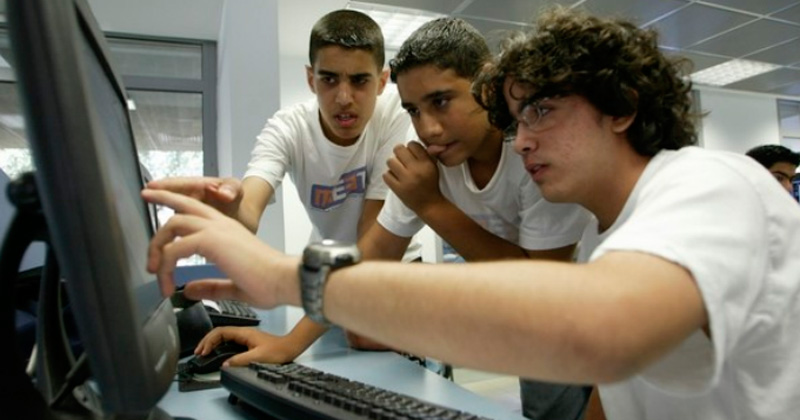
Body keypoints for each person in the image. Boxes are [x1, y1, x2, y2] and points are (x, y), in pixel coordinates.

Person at [143, 7, 800, 420]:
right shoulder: (618, 229)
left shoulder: (710, 184)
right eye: (517, 116)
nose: (524, 138)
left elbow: (590, 329)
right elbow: (616, 385)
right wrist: (288, 344)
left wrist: (285, 278)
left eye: (541, 111)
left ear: (622, 108)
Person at [149, 9, 417, 364]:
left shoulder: (396, 115)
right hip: (332, 275)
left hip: (390, 265)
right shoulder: (287, 128)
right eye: (329, 79)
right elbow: (249, 206)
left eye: (359, 81)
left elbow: (372, 242)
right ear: (310, 78)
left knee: (367, 339)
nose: (344, 97)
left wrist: (290, 343)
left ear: (382, 82)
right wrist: (231, 210)